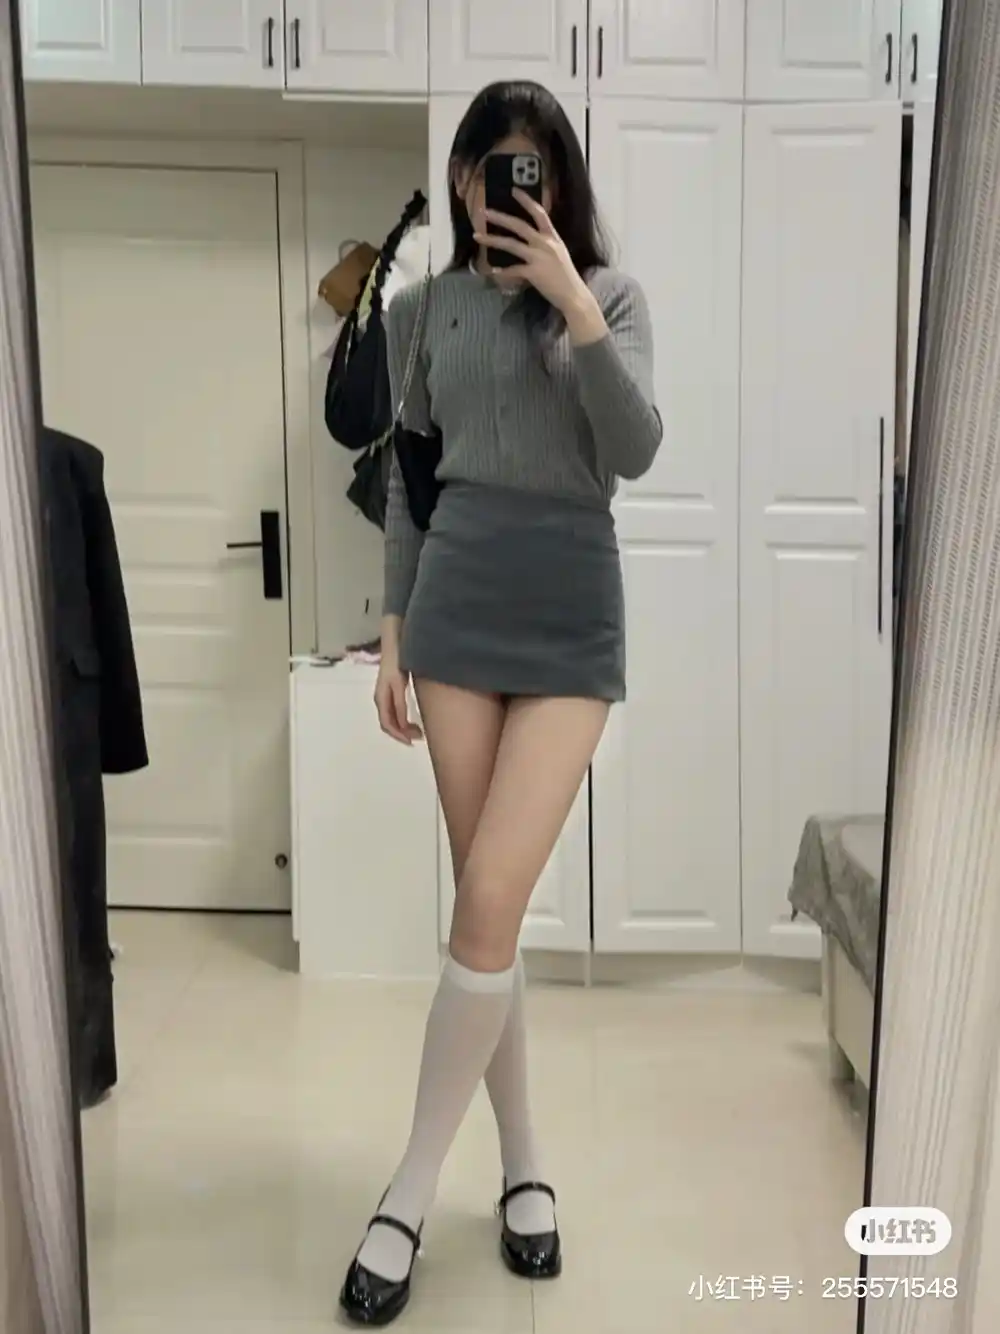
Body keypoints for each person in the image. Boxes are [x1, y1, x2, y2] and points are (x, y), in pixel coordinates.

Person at [339, 79, 663, 1326]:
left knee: (484, 904)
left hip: (571, 615)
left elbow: (633, 449)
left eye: (529, 169)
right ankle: (523, 1162)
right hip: (457, 610)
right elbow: (409, 480)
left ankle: (410, 1187)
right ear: (462, 182)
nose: (504, 192)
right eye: (486, 171)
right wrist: (393, 628)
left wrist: (572, 302)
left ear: (559, 183)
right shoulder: (422, 311)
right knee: (489, 908)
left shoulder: (611, 298)